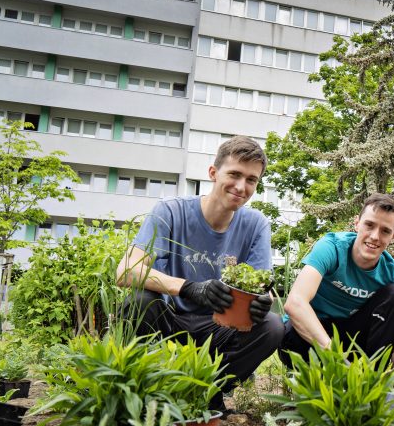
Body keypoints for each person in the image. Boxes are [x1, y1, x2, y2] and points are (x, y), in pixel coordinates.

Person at [117, 136, 284, 400]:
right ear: (213, 173)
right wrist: (188, 288)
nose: (242, 186)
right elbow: (126, 271)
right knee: (138, 302)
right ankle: (152, 387)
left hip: (220, 326)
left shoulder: (256, 224)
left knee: (272, 326)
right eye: (235, 174)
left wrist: (263, 301)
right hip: (170, 320)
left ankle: (207, 392)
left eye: (251, 180)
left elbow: (263, 287)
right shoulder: (170, 211)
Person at [281, 194, 394, 364]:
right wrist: (337, 360)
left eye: (385, 231)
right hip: (307, 338)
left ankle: (370, 381)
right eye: (369, 225)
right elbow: (295, 302)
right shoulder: (332, 248)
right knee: (295, 324)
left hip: (351, 341)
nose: (375, 236)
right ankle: (318, 378)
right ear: (357, 223)